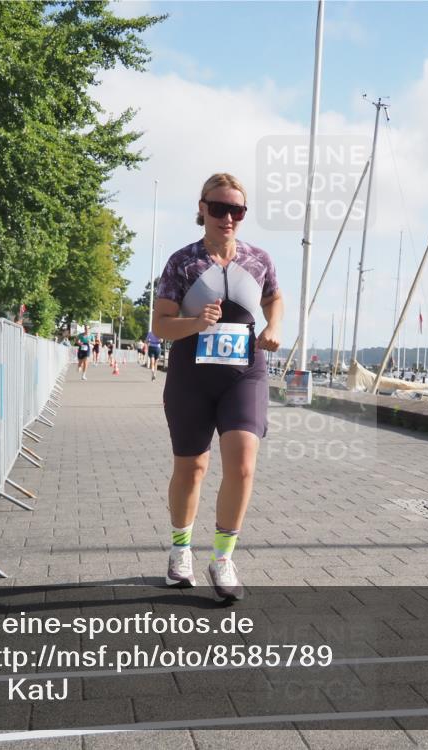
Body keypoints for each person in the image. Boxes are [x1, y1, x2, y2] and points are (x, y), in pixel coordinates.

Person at [152, 173, 282, 601]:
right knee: (192, 467)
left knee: (243, 463)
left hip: (244, 371)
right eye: (220, 208)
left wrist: (274, 326)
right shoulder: (182, 262)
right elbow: (160, 325)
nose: (228, 217)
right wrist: (196, 321)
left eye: (237, 210)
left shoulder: (258, 258)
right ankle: (180, 551)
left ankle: (223, 557)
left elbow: (273, 298)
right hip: (191, 372)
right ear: (203, 208)